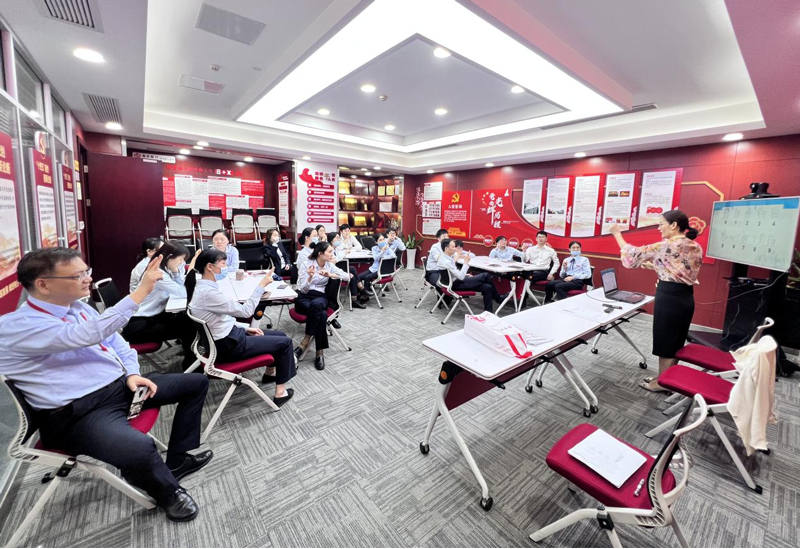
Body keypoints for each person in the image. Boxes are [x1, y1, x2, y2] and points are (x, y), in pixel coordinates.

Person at [0, 248, 212, 522]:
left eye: (86, 272)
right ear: (43, 284)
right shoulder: (16, 326)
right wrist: (142, 291)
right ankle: (168, 493)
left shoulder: (78, 308)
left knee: (196, 383)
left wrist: (132, 373)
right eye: (78, 275)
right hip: (77, 412)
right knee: (140, 448)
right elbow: (86, 335)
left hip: (118, 386)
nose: (88, 279)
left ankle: (178, 460)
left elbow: (117, 342)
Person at [186, 250, 295, 406]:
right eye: (223, 263)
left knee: (280, 336)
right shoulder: (208, 293)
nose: (226, 267)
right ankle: (280, 393)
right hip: (228, 346)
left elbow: (220, 319)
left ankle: (270, 373)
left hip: (226, 338)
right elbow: (246, 312)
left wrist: (244, 328)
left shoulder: (202, 288)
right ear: (210, 267)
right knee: (286, 343)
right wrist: (261, 285)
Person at [609, 210, 702, 392]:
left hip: (669, 298)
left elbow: (631, 257)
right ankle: (667, 378)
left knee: (665, 341)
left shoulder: (666, 245)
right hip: (685, 298)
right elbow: (678, 267)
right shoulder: (695, 245)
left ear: (673, 225)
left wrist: (617, 234)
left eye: (661, 224)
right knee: (675, 341)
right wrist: (656, 266)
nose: (659, 228)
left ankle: (662, 384)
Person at [121, 241, 198, 369]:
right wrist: (177, 273)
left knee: (187, 319)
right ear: (169, 257)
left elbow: (180, 287)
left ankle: (192, 360)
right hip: (139, 326)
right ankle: (191, 364)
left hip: (152, 317)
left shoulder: (165, 269)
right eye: (180, 259)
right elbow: (183, 292)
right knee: (188, 326)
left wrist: (175, 272)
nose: (182, 263)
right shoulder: (159, 273)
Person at [295, 242, 352, 370]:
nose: (332, 254)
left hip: (320, 297)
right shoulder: (306, 265)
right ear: (320, 254)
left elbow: (347, 277)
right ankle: (319, 352)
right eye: (330, 252)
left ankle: (305, 341)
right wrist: (310, 277)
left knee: (317, 305)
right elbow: (303, 290)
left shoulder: (330, 266)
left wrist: (330, 275)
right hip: (305, 297)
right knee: (321, 314)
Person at [437, 238, 506, 312]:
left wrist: (466, 275)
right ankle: (498, 299)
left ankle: (488, 312)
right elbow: (461, 277)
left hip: (454, 281)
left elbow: (455, 273)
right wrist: (466, 263)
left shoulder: (444, 257)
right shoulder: (446, 261)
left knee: (487, 287)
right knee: (486, 275)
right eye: (453, 247)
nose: (455, 249)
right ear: (446, 249)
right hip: (455, 284)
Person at [329, 232, 368, 309]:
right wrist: (340, 256)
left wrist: (344, 252)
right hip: (333, 272)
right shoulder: (329, 250)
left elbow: (339, 256)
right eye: (337, 238)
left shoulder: (335, 249)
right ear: (331, 241)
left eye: (339, 238)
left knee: (352, 273)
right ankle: (360, 290)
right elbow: (334, 260)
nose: (339, 239)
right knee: (352, 273)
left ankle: (357, 296)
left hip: (337, 269)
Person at [356, 233, 396, 299]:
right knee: (358, 277)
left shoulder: (388, 248)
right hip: (373, 268)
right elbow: (375, 257)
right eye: (380, 240)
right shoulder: (374, 248)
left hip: (381, 270)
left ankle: (365, 296)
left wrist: (383, 257)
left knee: (367, 278)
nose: (382, 241)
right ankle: (358, 294)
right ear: (376, 242)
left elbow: (393, 256)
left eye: (383, 239)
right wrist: (382, 251)